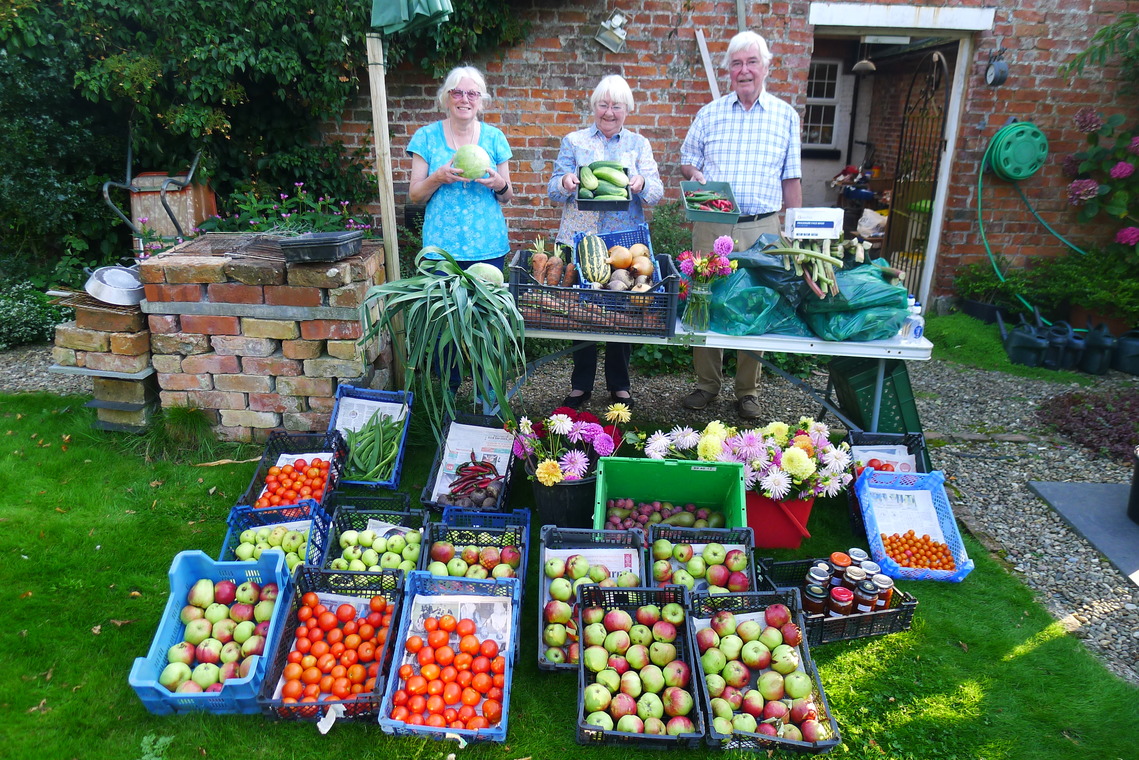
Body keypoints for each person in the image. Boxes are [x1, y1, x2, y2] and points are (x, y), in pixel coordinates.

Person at [679, 30, 802, 420]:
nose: (744, 70)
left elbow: (792, 179)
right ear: (728, 70)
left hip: (762, 227)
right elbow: (687, 159)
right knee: (705, 299)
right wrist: (695, 175)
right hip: (713, 222)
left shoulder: (785, 116)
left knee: (756, 303)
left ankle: (747, 390)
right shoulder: (710, 113)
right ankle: (706, 384)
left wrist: (796, 232)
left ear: (766, 67)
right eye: (736, 63)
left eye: (751, 62)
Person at [548, 74, 664, 411]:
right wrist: (566, 181)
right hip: (581, 237)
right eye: (603, 104)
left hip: (624, 242)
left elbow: (657, 192)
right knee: (582, 311)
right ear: (593, 106)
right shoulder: (574, 141)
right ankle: (580, 384)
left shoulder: (638, 144)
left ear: (627, 109)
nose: (609, 112)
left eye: (616, 106)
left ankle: (619, 384)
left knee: (623, 306)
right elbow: (553, 189)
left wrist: (641, 183)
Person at [408, 65, 514, 395]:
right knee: (446, 328)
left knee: (487, 325)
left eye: (471, 93)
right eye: (457, 92)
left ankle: (488, 397)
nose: (464, 99)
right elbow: (415, 195)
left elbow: (508, 195)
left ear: (481, 100)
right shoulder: (426, 137)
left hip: (488, 247)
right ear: (446, 98)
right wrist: (437, 177)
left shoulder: (494, 138)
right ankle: (448, 398)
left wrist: (499, 183)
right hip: (442, 250)